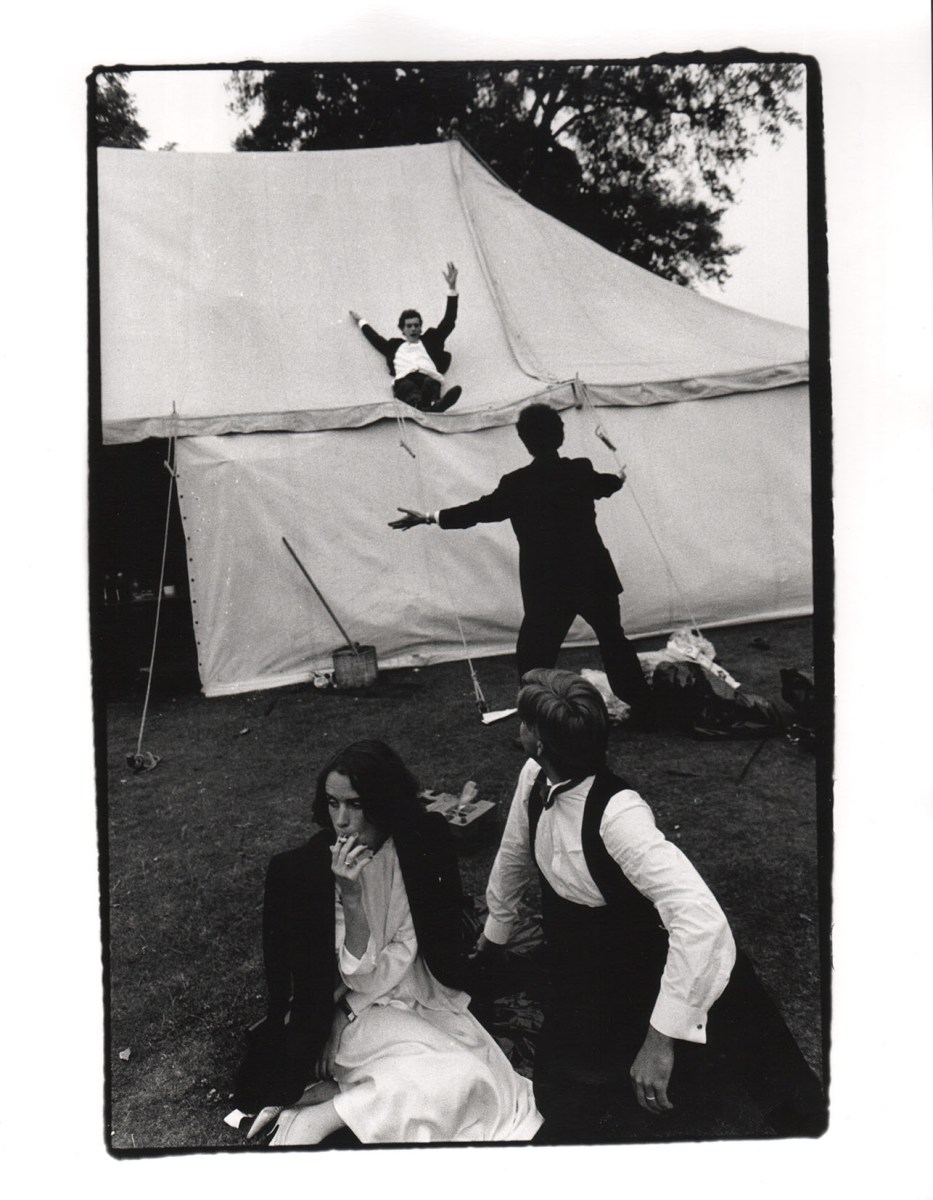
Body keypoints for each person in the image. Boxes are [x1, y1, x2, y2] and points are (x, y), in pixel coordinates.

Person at [473, 669, 827, 1141]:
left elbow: (701, 921)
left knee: (765, 1087)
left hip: (653, 963)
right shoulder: (534, 775)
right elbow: (514, 853)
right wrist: (493, 937)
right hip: (588, 970)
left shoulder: (620, 816)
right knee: (561, 1097)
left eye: (523, 723)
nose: (518, 729)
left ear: (537, 740)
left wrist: (660, 1040)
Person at [231, 739, 542, 1145]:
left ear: (381, 803)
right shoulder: (305, 869)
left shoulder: (419, 843)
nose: (341, 820)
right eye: (332, 802)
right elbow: (350, 973)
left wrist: (348, 1009)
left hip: (409, 992)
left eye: (355, 804)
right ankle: (318, 1116)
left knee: (479, 1079)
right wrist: (352, 896)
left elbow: (407, 949)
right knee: (455, 1077)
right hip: (350, 1012)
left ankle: (326, 1106)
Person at [390, 402, 653, 724]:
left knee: (534, 656)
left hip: (548, 585)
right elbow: (605, 485)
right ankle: (644, 710)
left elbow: (478, 511)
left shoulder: (517, 484)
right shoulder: (579, 470)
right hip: (593, 575)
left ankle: (538, 720)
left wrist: (430, 517)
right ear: (560, 435)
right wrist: (619, 479)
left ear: (524, 440)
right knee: (614, 642)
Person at [349, 262, 463, 412]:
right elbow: (375, 339)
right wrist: (361, 321)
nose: (413, 329)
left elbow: (449, 321)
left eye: (416, 325)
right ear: (402, 329)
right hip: (405, 381)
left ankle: (428, 403)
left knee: (429, 383)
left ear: (421, 327)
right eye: (409, 326)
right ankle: (429, 406)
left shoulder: (431, 340)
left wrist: (452, 289)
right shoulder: (394, 347)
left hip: (428, 377)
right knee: (407, 387)